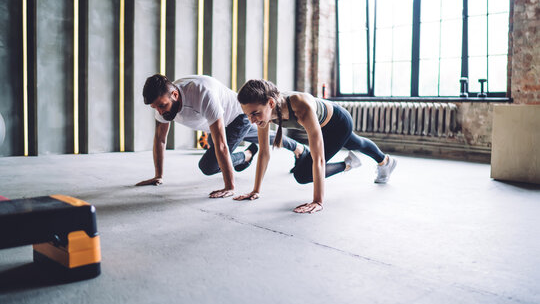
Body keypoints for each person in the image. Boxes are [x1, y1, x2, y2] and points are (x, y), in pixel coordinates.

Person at [234, 79, 397, 213]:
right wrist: (256, 190)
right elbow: (263, 152)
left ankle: (353, 163)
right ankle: (383, 161)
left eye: (255, 113)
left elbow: (319, 159)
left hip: (338, 124)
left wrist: (318, 201)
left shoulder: (300, 106)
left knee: (303, 174)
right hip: (322, 125)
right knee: (356, 142)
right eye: (248, 115)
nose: (252, 120)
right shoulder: (265, 115)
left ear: (270, 103)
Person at [135, 74, 306, 198]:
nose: (159, 111)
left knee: (209, 165)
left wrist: (229, 186)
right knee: (259, 137)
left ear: (175, 95)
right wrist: (159, 175)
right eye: (155, 108)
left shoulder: (201, 92)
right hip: (216, 125)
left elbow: (222, 145)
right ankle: (298, 148)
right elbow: (160, 139)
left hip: (238, 116)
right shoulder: (162, 104)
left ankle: (246, 155)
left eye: (162, 106)